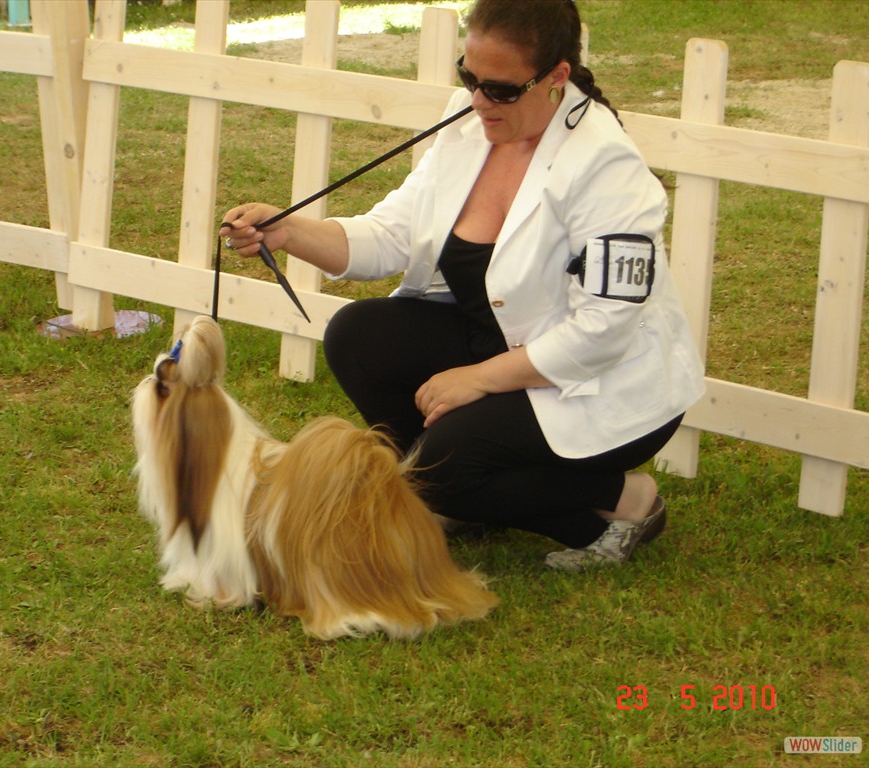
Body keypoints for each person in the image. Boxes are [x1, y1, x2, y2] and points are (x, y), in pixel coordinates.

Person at [220, 0, 705, 572]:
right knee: (358, 335)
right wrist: (290, 229)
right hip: (501, 344)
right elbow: (391, 234)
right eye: (469, 78)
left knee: (439, 468)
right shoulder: (467, 123)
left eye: (499, 89)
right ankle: (461, 495)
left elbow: (603, 332)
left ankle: (627, 502)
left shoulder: (607, 166)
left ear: (556, 78)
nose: (478, 101)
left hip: (601, 381)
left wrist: (475, 379)